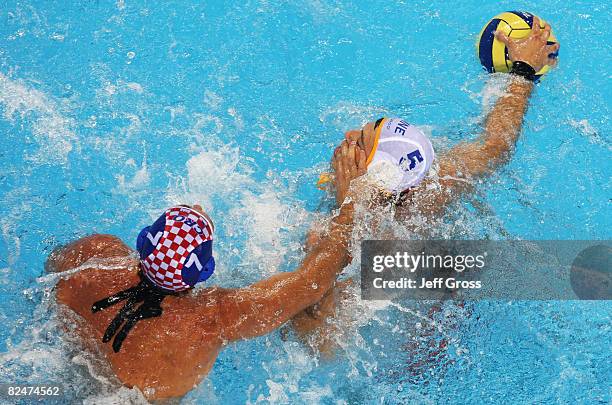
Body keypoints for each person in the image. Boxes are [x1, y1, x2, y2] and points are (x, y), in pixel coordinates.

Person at [291, 17, 560, 349]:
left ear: (368, 177)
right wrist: (522, 73)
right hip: (455, 302)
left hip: (413, 353)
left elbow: (314, 339)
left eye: (360, 143)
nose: (347, 137)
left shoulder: (357, 246)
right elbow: (496, 146)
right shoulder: (433, 182)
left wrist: (345, 211)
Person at [48, 195, 358, 400]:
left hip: (75, 375)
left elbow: (50, 272)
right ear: (205, 271)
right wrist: (350, 203)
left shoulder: (91, 255)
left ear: (144, 241)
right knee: (319, 307)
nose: (197, 205)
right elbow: (311, 283)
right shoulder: (214, 318)